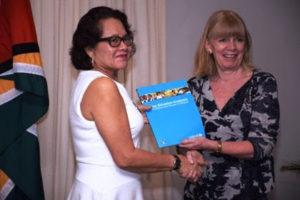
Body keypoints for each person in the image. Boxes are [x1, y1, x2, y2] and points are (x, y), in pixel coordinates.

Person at [67, 6, 207, 200]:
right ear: (89, 48)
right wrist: (177, 162)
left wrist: (130, 112)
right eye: (113, 40)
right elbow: (126, 157)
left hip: (104, 187)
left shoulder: (90, 80)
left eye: (126, 39)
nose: (124, 46)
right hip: (108, 191)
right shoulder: (103, 86)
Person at [179, 10, 280, 200]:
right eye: (223, 39)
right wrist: (190, 152)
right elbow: (183, 141)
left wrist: (210, 145)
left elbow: (261, 147)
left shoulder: (262, 84)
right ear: (209, 46)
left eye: (238, 39)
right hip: (200, 192)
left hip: (248, 192)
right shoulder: (194, 86)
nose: (232, 47)